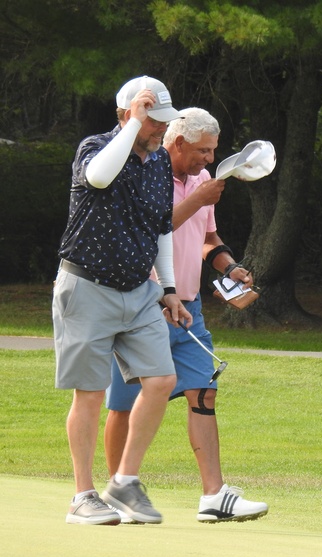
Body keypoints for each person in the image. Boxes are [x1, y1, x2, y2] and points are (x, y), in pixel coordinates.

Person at [104, 107, 269, 523]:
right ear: (178, 143)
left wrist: (230, 267)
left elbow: (206, 238)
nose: (209, 159)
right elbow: (147, 232)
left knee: (204, 392)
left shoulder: (201, 180)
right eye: (202, 151)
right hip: (142, 305)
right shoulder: (146, 173)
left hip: (189, 308)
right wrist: (198, 199)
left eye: (213, 151)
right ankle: (119, 491)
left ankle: (214, 496)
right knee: (124, 403)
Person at [55, 75, 192, 526]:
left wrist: (168, 289)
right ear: (128, 114)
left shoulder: (159, 162)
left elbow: (161, 228)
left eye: (163, 121)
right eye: (154, 120)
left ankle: (124, 482)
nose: (162, 128)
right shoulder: (95, 147)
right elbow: (99, 177)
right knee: (91, 393)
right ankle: (82, 496)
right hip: (87, 286)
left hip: (139, 291)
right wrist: (133, 124)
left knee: (161, 379)